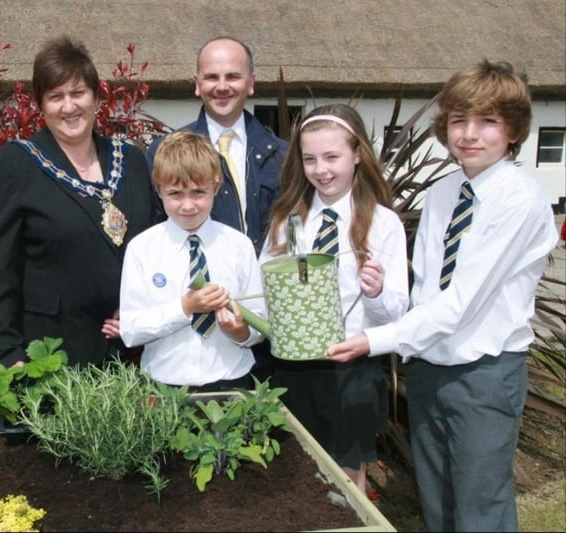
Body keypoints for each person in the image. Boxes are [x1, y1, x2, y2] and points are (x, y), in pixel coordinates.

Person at [328, 60, 559, 531]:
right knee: (437, 501)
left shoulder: (520, 199)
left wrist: (375, 341)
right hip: (430, 369)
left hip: (484, 374)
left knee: (480, 507)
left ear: (513, 130)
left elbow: (460, 304)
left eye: (488, 122)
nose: (469, 134)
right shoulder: (442, 192)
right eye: (459, 120)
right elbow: (426, 292)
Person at [0, 36, 154, 369]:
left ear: (97, 97)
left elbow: (155, 247)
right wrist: (6, 353)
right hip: (49, 356)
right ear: (40, 105)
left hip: (128, 354)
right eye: (55, 97)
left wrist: (144, 305)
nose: (69, 107)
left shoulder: (132, 160)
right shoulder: (12, 166)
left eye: (78, 93)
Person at [259, 104, 409, 493]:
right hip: (296, 366)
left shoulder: (381, 223)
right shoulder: (288, 219)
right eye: (310, 159)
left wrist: (374, 293)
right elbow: (267, 292)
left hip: (351, 369)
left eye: (332, 157)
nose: (321, 169)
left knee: (346, 474)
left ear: (357, 154)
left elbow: (397, 313)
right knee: (298, 471)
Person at [146, 36, 288, 384]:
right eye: (211, 77)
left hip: (267, 326)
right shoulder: (162, 153)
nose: (221, 86)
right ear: (197, 84)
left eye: (233, 77)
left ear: (251, 83)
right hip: (193, 338)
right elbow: (153, 236)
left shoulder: (284, 156)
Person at [120, 131, 267, 392]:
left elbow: (259, 318)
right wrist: (185, 308)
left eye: (199, 192)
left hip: (232, 381)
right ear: (159, 191)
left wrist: (241, 333)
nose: (188, 205)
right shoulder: (142, 249)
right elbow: (130, 331)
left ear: (216, 187)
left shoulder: (238, 246)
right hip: (164, 386)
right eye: (175, 193)